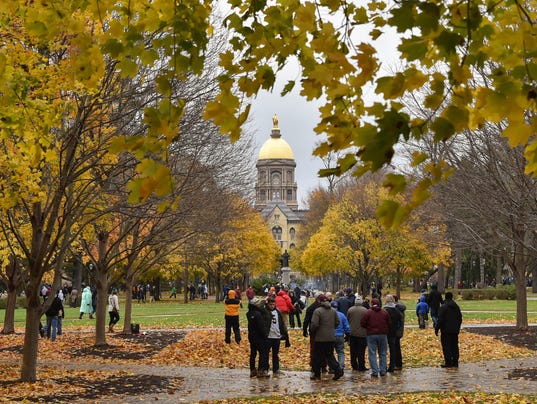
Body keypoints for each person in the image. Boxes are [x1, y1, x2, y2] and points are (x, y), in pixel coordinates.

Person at [309, 294, 344, 381]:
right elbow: (337, 322)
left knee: (317, 356)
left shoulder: (318, 311)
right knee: (330, 356)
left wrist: (313, 330)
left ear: (320, 301)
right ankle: (338, 370)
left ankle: (317, 374)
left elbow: (314, 324)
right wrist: (331, 328)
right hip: (331, 337)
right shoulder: (333, 311)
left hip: (320, 338)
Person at [361, 298, 390, 377]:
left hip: (371, 334)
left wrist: (368, 327)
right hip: (383, 334)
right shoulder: (384, 312)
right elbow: (388, 322)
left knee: (372, 353)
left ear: (371, 304)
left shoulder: (368, 313)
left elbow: (363, 323)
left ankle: (375, 371)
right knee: (383, 353)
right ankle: (383, 370)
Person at [435, 292, 463, 368]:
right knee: (454, 346)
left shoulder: (443, 307)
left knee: (446, 346)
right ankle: (455, 362)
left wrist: (437, 329)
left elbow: (440, 319)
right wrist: (457, 328)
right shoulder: (456, 306)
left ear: (445, 297)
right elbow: (460, 318)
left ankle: (448, 362)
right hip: (454, 330)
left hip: (445, 331)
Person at [265, 296, 290, 376]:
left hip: (277, 336)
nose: (272, 306)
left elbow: (281, 323)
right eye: (270, 304)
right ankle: (265, 368)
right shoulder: (265, 312)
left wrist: (284, 333)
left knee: (275, 354)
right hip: (268, 336)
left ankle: (276, 369)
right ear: (267, 304)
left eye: (273, 304)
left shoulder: (278, 312)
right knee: (266, 353)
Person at [246, 297, 270, 377]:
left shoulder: (249, 313)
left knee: (253, 353)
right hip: (259, 337)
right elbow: (261, 327)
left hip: (252, 336)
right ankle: (260, 370)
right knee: (262, 353)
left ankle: (252, 369)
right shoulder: (258, 314)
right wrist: (265, 335)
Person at [346, 295, 368, 371]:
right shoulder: (365, 310)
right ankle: (362, 366)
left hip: (352, 333)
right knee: (361, 351)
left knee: (353, 351)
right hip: (362, 334)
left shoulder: (350, 310)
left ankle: (354, 365)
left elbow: (347, 319)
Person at [383, 294, 403, 372]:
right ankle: (392, 365)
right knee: (393, 349)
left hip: (386, 331)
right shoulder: (396, 310)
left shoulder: (385, 310)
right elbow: (400, 321)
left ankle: (383, 366)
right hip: (394, 332)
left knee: (383, 350)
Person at [331, 300, 350, 370]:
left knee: (330, 353)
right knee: (340, 352)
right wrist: (347, 334)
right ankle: (341, 366)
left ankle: (332, 367)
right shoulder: (342, 315)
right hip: (340, 335)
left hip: (331, 336)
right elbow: (347, 326)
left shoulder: (329, 315)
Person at [393, 295, 406, 370]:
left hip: (396, 331)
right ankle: (398, 363)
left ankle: (396, 363)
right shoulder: (401, 308)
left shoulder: (396, 309)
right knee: (397, 347)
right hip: (399, 331)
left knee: (395, 348)